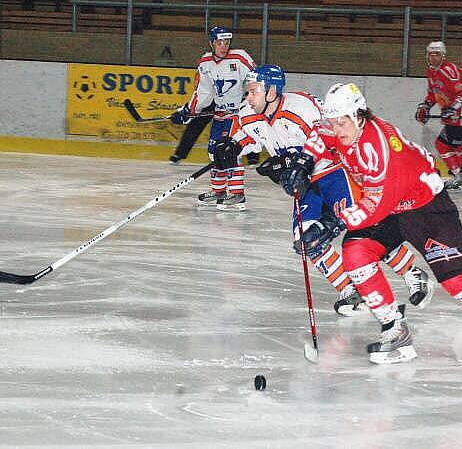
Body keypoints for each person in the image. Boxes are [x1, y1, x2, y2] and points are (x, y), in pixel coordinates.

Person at [297, 82, 462, 371]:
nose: (337, 129)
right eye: (333, 122)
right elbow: (319, 136)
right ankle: (395, 330)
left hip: (428, 209)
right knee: (355, 254)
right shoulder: (346, 129)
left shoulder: (378, 149)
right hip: (394, 207)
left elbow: (373, 208)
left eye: (342, 122)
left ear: (359, 116)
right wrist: (302, 161)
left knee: (459, 283)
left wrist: (328, 225)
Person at [214, 64, 435, 316]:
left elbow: (335, 137)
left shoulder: (302, 108)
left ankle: (412, 273)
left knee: (363, 228)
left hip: (335, 173)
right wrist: (231, 148)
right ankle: (351, 291)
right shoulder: (249, 113)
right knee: (306, 239)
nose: (248, 97)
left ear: (272, 91)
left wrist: (295, 160)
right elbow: (250, 136)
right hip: (306, 185)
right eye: (247, 92)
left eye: (253, 91)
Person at [169, 25, 255, 211]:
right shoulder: (205, 63)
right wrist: (187, 111)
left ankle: (237, 195)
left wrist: (249, 103)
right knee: (214, 153)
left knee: (230, 151)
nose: (224, 46)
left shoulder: (240, 58)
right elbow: (203, 93)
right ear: (212, 43)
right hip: (219, 114)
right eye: (219, 42)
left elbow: (255, 81)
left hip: (237, 115)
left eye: (227, 42)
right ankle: (219, 192)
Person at [415, 41, 462, 193]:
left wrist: (453, 108)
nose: (433, 58)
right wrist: (426, 105)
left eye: (436, 55)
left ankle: (458, 176)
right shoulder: (431, 72)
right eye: (431, 55)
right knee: (454, 145)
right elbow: (433, 94)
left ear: (443, 56)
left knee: (442, 144)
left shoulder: (449, 71)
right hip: (455, 114)